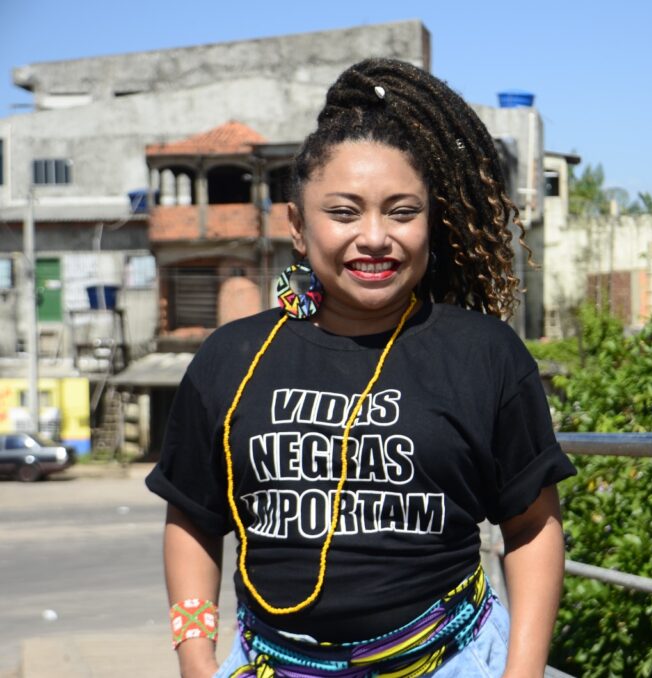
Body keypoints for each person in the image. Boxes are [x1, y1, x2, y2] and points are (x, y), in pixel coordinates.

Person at [146, 57, 576, 678]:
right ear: (298, 227)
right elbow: (192, 514)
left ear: (431, 222)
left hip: (451, 661)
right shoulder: (230, 358)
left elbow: (532, 526)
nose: (375, 237)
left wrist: (523, 672)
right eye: (344, 212)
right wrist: (195, 661)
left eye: (402, 211)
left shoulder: (485, 354)